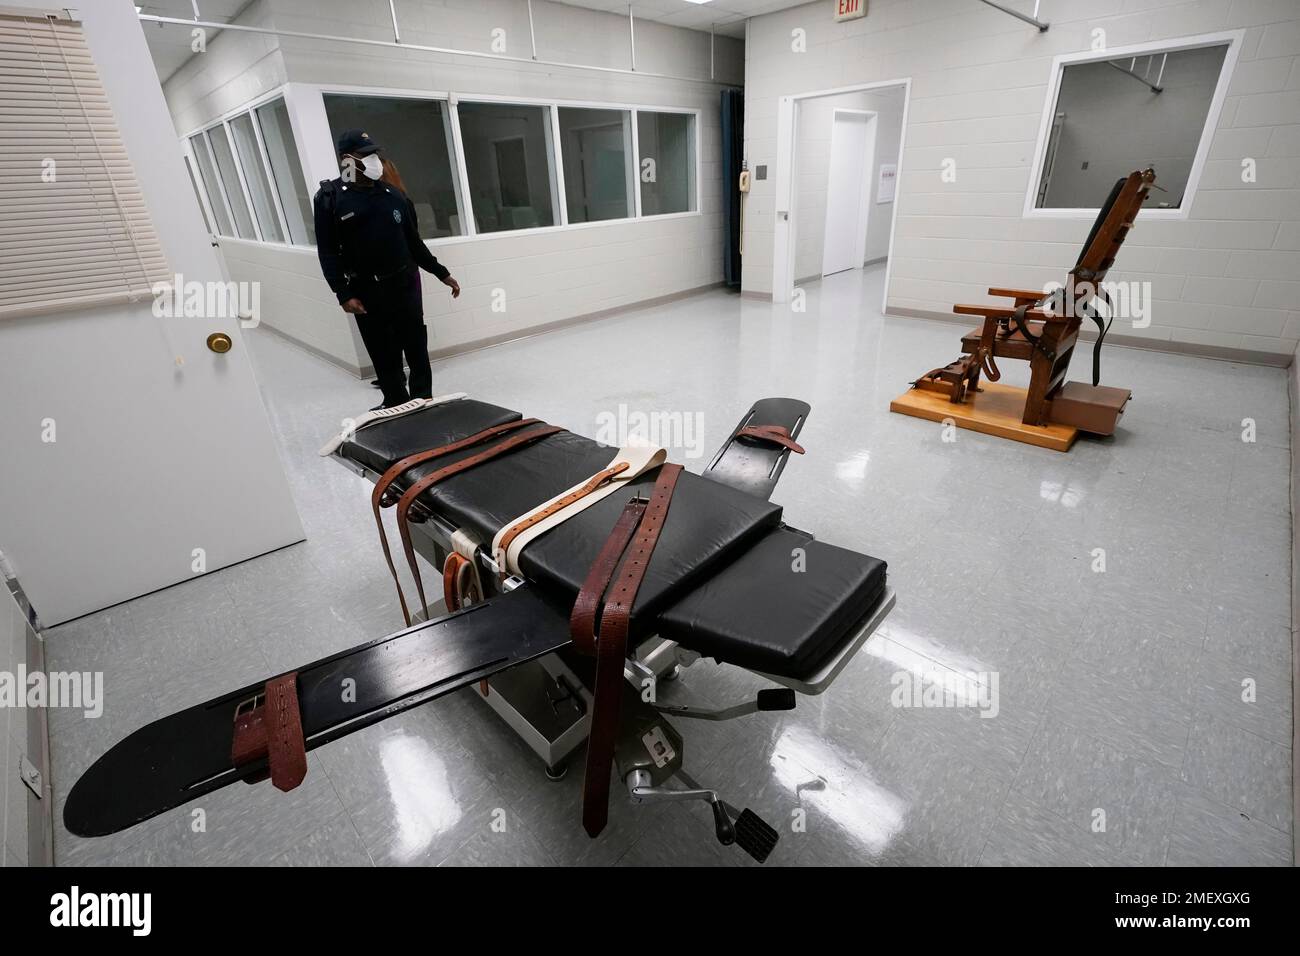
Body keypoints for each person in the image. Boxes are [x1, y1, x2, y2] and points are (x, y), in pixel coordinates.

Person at [313, 129, 460, 408]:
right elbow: (327, 251)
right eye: (365, 155)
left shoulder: (393, 195)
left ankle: (423, 398)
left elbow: (414, 243)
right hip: (366, 288)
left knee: (416, 345)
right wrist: (342, 293)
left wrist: (442, 273)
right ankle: (394, 401)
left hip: (403, 282)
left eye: (375, 154)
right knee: (382, 350)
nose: (374, 160)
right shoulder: (330, 199)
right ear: (347, 159)